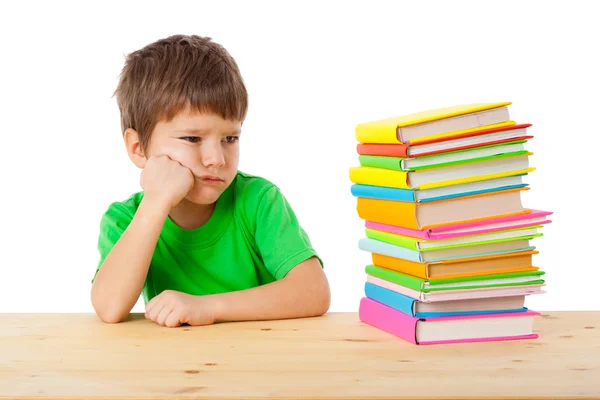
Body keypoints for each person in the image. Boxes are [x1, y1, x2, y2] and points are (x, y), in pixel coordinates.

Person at [91, 34, 330, 327]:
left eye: (230, 138)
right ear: (138, 148)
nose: (217, 158)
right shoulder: (125, 219)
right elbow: (109, 308)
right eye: (192, 138)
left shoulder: (258, 200)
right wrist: (156, 201)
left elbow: (314, 292)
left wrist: (208, 307)